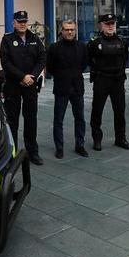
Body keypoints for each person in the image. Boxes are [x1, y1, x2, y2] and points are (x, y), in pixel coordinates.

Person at [0, 11, 46, 165]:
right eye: (19, 21)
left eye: (25, 21)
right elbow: (5, 63)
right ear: (14, 23)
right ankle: (11, 154)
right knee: (12, 121)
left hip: (31, 85)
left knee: (31, 119)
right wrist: (22, 77)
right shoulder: (7, 39)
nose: (22, 24)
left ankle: (33, 152)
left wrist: (32, 76)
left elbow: (42, 58)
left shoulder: (34, 38)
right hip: (13, 86)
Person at [45, 20, 88, 159]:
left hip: (77, 87)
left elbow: (84, 64)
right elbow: (50, 67)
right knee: (58, 119)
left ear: (75, 31)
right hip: (61, 88)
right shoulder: (54, 47)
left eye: (72, 29)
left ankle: (80, 145)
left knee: (80, 118)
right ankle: (59, 148)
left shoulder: (82, 47)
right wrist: (62, 76)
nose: (69, 32)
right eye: (66, 29)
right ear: (61, 31)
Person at [87, 13, 129, 151]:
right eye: (107, 24)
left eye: (113, 23)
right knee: (97, 111)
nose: (110, 26)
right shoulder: (94, 43)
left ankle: (120, 138)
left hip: (117, 80)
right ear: (101, 25)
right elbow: (90, 60)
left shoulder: (122, 41)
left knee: (120, 111)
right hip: (102, 79)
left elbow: (125, 58)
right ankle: (97, 139)